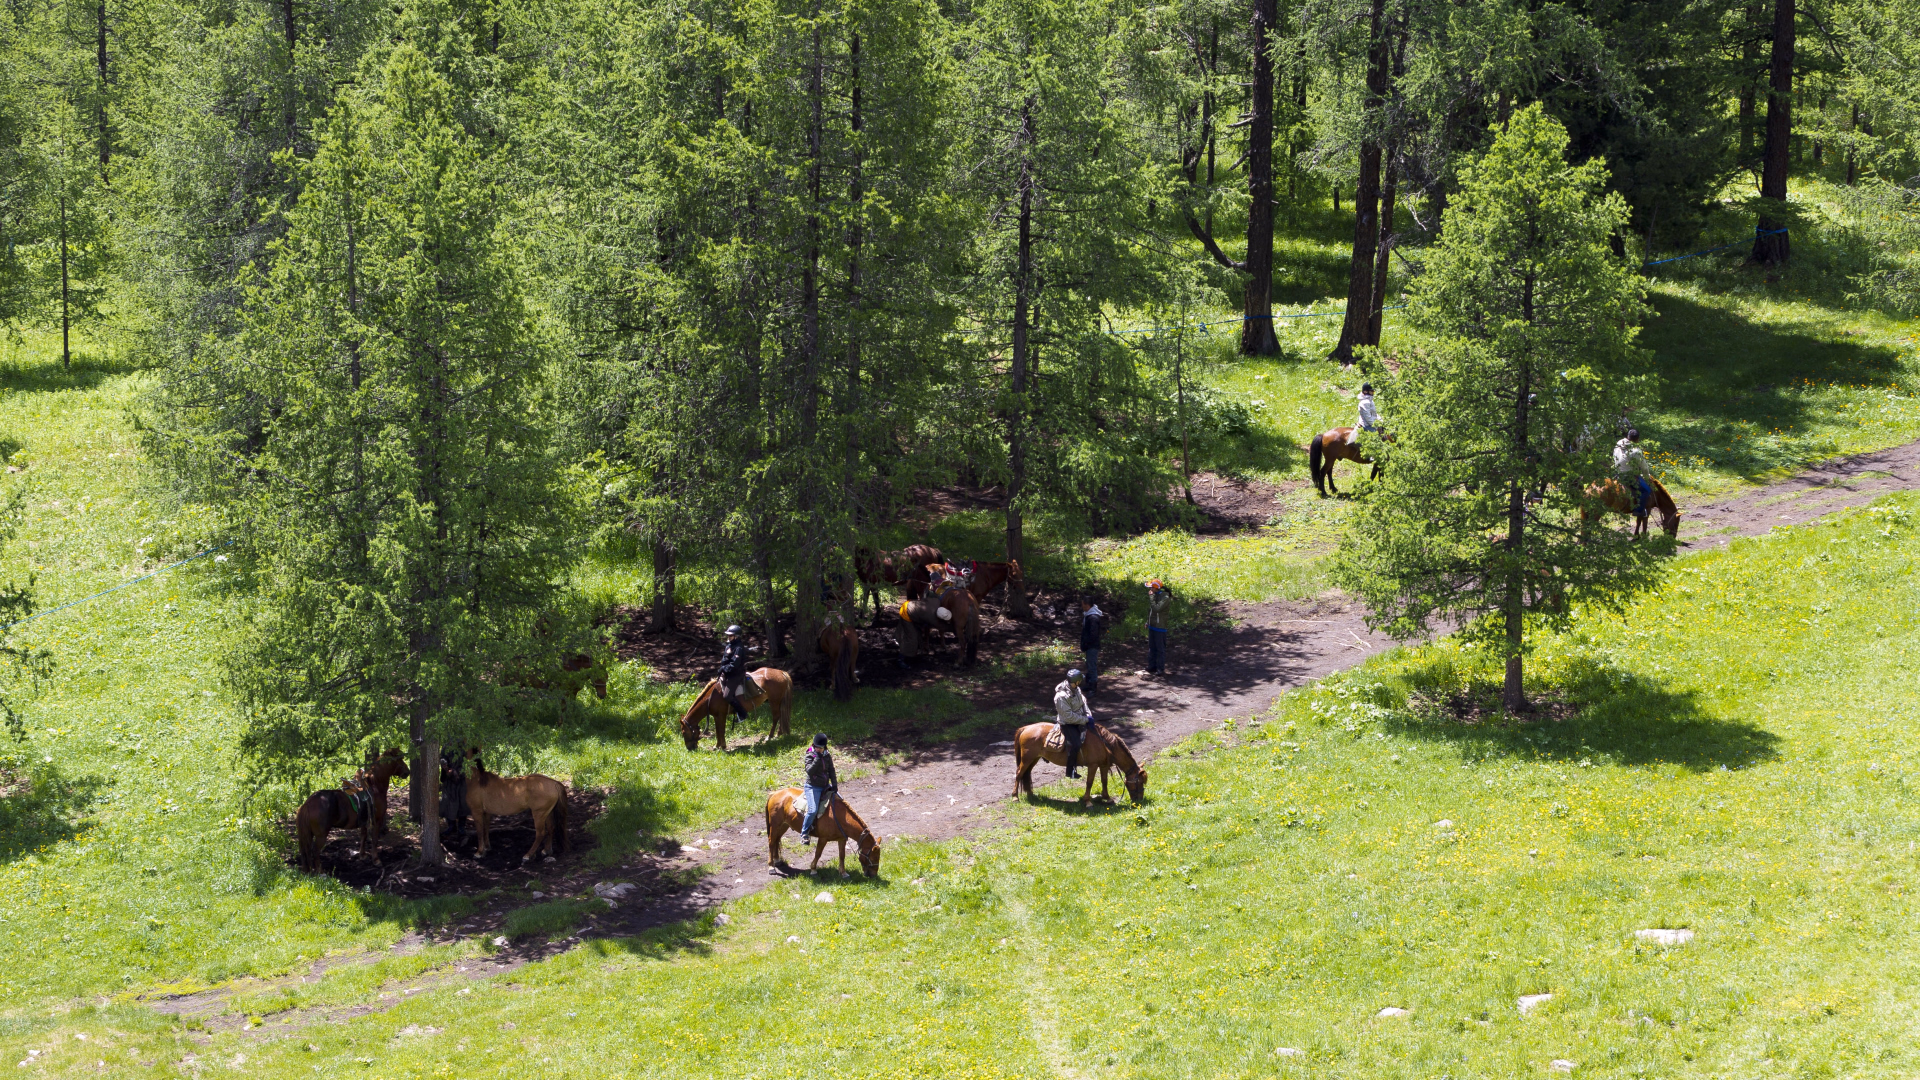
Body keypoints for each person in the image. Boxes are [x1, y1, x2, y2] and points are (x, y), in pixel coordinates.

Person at [1052, 669, 1093, 779]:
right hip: (1067, 723)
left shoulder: (1076, 688)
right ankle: (1070, 771)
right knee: (1076, 744)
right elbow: (1068, 717)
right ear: (1077, 682)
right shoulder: (1061, 696)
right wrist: (1085, 720)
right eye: (1080, 680)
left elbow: (1083, 701)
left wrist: (1089, 714)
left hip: (1081, 718)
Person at [798, 733, 838, 841]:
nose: (818, 749)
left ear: (824, 747)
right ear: (814, 745)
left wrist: (834, 784)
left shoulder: (827, 755)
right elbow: (810, 771)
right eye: (817, 747)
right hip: (812, 786)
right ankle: (804, 833)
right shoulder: (810, 755)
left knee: (840, 801)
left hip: (825, 786)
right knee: (812, 810)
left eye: (821, 748)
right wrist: (817, 759)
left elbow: (831, 770)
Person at [1613, 428, 1652, 519]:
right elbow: (1644, 467)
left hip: (1617, 474)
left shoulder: (1618, 444)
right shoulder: (1636, 451)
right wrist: (1647, 477)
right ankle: (1638, 511)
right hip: (1629, 477)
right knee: (1646, 490)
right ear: (1637, 439)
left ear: (1628, 436)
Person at [717, 625, 753, 722]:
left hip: (736, 674)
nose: (729, 637)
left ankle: (742, 714)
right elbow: (725, 659)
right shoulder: (729, 645)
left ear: (736, 636)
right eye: (728, 635)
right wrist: (722, 668)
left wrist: (724, 668)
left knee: (727, 696)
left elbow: (734, 665)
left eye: (731, 636)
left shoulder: (739, 648)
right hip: (727, 672)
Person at [1079, 599, 1106, 695]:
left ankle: (1093, 688)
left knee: (1092, 666)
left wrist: (1086, 644)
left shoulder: (1093, 618)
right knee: (1089, 665)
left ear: (1087, 605)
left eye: (1083, 604)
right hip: (1089, 645)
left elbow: (1093, 634)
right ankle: (1089, 684)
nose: (1082, 606)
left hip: (1092, 646)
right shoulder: (1088, 615)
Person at [1145, 580, 1171, 677]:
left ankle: (1160, 668)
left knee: (1160, 649)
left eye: (1151, 587)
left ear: (1156, 588)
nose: (1150, 589)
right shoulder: (1155, 595)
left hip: (1160, 628)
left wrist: (1151, 597)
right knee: (1152, 648)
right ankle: (1152, 666)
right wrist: (1148, 622)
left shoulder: (1165, 598)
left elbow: (1157, 609)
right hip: (1152, 626)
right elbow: (1152, 612)